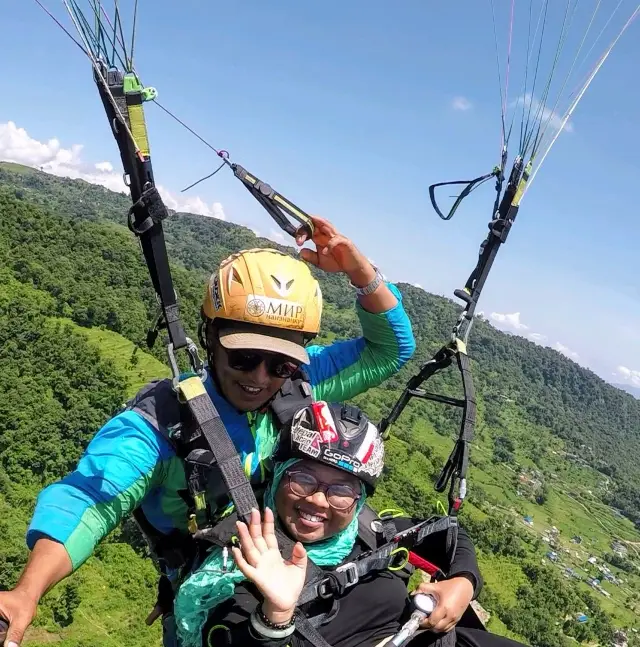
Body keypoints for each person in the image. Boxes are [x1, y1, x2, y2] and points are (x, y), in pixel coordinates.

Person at [0, 215, 416, 647]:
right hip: (205, 590)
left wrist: (359, 271)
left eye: (279, 363)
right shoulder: (162, 424)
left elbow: (391, 350)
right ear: (211, 338)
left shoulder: (298, 383)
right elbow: (88, 500)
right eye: (243, 357)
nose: (259, 377)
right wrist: (28, 591)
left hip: (279, 571)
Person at [171, 400, 524, 647]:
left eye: (341, 490)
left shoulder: (369, 531)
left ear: (360, 500)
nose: (318, 500)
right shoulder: (245, 562)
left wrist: (463, 583)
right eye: (302, 479)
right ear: (278, 475)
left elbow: (450, 532)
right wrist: (275, 615)